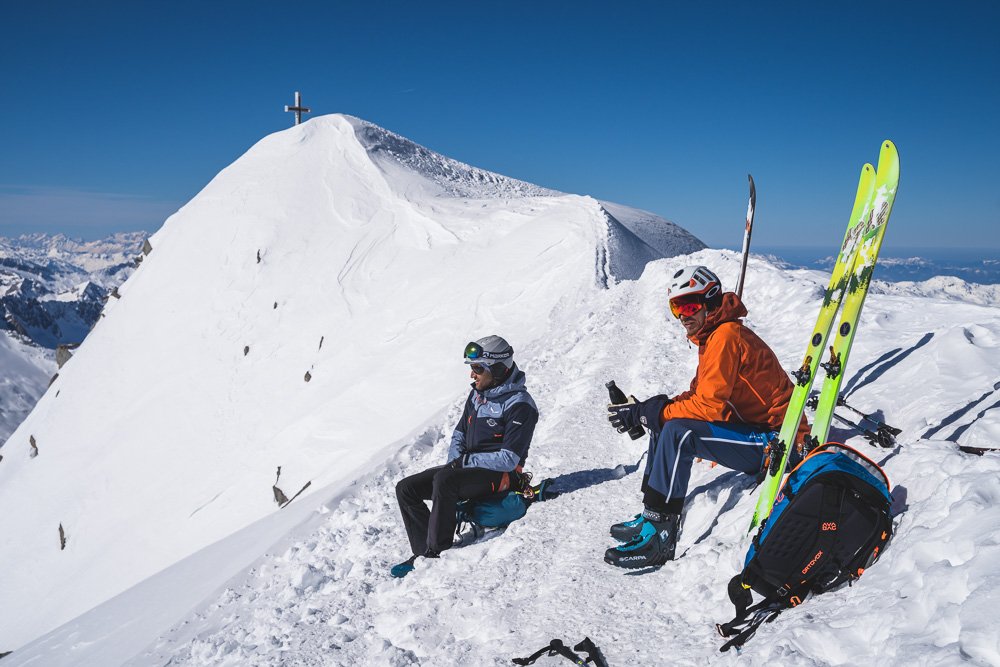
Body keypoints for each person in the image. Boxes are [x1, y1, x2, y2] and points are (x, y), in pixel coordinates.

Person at [604, 265, 809, 569]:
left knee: (677, 431)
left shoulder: (726, 337)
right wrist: (649, 409)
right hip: (753, 431)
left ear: (710, 302)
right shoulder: (713, 337)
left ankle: (660, 534)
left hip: (778, 442)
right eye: (677, 308)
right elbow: (696, 396)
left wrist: (653, 413)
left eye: (689, 306)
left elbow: (709, 406)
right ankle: (651, 516)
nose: (683, 316)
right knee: (664, 419)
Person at [391, 335, 539, 578]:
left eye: (478, 368)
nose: (473, 375)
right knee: (407, 488)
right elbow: (459, 433)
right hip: (468, 469)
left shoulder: (520, 405)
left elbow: (509, 459)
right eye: (472, 368)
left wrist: (462, 465)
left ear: (499, 368)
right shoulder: (478, 395)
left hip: (501, 475)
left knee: (444, 482)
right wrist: (454, 464)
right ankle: (422, 552)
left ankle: (435, 551)